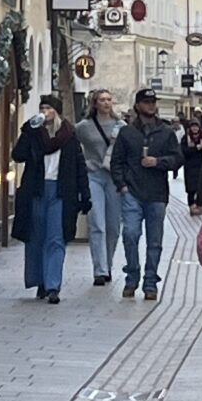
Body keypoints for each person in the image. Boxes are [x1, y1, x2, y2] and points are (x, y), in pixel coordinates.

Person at [12, 96, 90, 303]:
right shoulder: (34, 133)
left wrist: (85, 195)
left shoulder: (69, 135)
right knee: (36, 237)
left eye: (48, 108)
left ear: (56, 111)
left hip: (61, 191)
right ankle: (40, 281)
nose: (45, 111)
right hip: (36, 190)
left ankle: (53, 285)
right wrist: (27, 130)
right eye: (42, 108)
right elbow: (18, 155)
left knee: (56, 238)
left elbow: (79, 166)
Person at [109, 89, 183, 301]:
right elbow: (116, 161)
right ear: (138, 105)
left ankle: (150, 282)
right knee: (130, 234)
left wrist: (159, 162)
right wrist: (122, 185)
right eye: (147, 102)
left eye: (153, 102)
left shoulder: (166, 131)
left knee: (155, 241)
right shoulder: (127, 132)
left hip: (157, 193)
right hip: (132, 191)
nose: (151, 105)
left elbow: (178, 159)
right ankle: (132, 275)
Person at [74, 90, 124, 285]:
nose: (106, 103)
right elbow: (71, 142)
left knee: (113, 226)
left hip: (114, 179)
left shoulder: (121, 126)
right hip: (93, 176)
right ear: (94, 104)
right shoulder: (84, 127)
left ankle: (108, 263)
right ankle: (100, 270)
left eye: (109, 100)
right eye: (102, 100)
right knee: (97, 224)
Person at [181, 112, 202, 210]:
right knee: (191, 188)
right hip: (190, 166)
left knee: (201, 186)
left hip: (201, 165)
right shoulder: (186, 138)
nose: (194, 129)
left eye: (196, 126)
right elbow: (183, 151)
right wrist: (195, 148)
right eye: (193, 127)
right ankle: (191, 205)